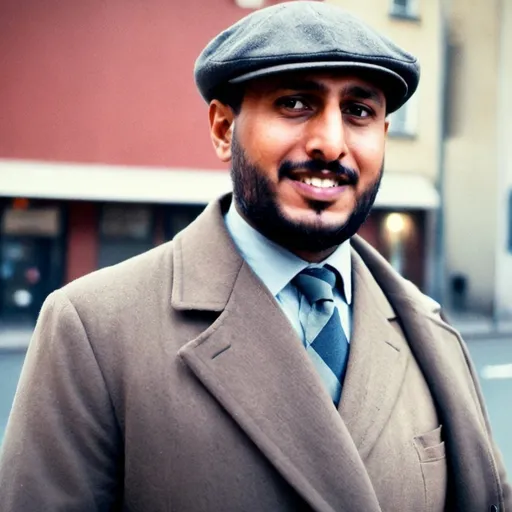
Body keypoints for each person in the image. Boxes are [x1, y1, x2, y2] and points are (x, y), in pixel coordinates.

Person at [0, 2, 510, 511]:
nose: (331, 144)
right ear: (224, 130)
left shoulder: (432, 331)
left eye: (359, 111)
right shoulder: (92, 329)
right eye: (295, 103)